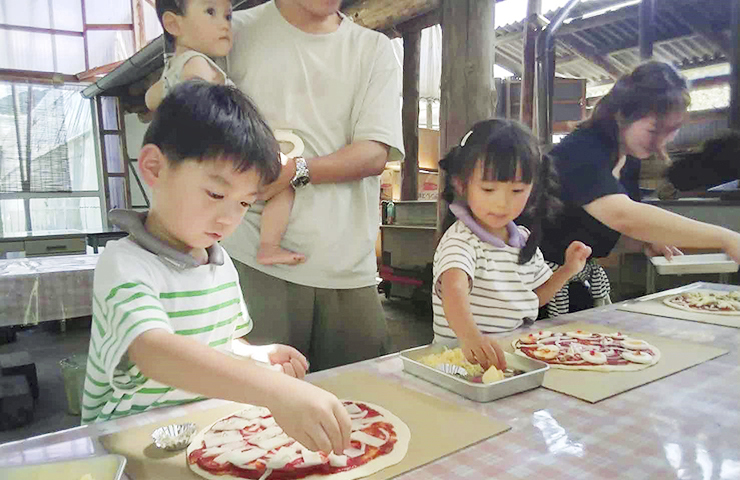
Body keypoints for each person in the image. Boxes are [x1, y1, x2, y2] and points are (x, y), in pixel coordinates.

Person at [81, 82, 350, 455]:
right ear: (154, 168)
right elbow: (155, 351)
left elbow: (218, 345)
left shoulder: (219, 264)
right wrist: (277, 390)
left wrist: (256, 355)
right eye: (215, 194)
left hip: (201, 436)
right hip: (131, 447)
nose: (228, 218)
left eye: (243, 203)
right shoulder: (125, 263)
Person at [223, 0, 404, 371]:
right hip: (250, 259)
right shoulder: (232, 30)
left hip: (347, 266)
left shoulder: (372, 48)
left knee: (363, 406)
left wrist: (295, 171)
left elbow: (373, 154)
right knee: (256, 414)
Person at [537, 60, 740, 317]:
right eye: (654, 129)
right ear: (621, 115)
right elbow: (623, 216)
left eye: (672, 131)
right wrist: (726, 238)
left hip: (577, 283)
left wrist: (642, 243)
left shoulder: (626, 159)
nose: (662, 142)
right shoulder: (582, 151)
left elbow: (596, 227)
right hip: (537, 287)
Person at [147, 0, 306, 267]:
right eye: (210, 12)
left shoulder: (172, 69)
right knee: (285, 182)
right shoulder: (197, 65)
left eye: (228, 16)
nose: (224, 24)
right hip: (225, 150)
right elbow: (199, 108)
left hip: (201, 155)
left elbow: (150, 99)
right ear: (173, 24)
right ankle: (269, 245)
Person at [433, 119, 592, 371]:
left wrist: (568, 269)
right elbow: (454, 290)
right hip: (460, 360)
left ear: (533, 188)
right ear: (461, 185)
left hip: (508, 356)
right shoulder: (460, 239)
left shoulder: (523, 239)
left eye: (517, 191)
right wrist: (471, 337)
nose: (502, 204)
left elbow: (533, 297)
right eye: (488, 189)